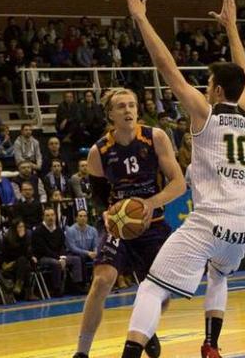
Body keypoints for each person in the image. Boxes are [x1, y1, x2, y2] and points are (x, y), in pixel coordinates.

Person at [119, 0, 245, 358]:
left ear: (213, 89)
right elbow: (242, 73)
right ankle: (211, 345)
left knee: (151, 289)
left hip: (211, 221)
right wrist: (232, 28)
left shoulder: (206, 113)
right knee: (219, 273)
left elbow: (167, 68)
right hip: (244, 226)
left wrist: (141, 19)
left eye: (209, 83)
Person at [73, 87, 186, 358]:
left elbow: (179, 184)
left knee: (163, 294)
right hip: (119, 223)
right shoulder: (99, 151)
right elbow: (99, 199)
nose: (128, 110)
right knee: (103, 280)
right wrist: (105, 213)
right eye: (121, 106)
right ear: (110, 114)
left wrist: (150, 203)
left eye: (132, 105)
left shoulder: (155, 137)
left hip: (153, 222)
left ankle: (143, 328)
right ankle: (81, 352)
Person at [32, 207, 82, 297]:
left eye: (52, 215)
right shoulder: (38, 231)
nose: (50, 217)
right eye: (47, 215)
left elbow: (62, 246)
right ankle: (57, 289)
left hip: (58, 256)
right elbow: (44, 250)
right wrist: (59, 259)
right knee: (56, 263)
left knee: (76, 260)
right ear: (43, 217)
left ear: (55, 216)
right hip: (43, 257)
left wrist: (62, 257)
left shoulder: (59, 230)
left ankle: (77, 285)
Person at [0, 219, 37, 301]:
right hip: (9, 264)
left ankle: (19, 284)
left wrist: (31, 257)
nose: (22, 229)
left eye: (23, 227)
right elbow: (9, 255)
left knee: (24, 262)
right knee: (23, 262)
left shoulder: (26, 238)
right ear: (14, 228)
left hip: (20, 265)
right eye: (19, 227)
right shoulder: (7, 239)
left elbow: (27, 253)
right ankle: (28, 293)